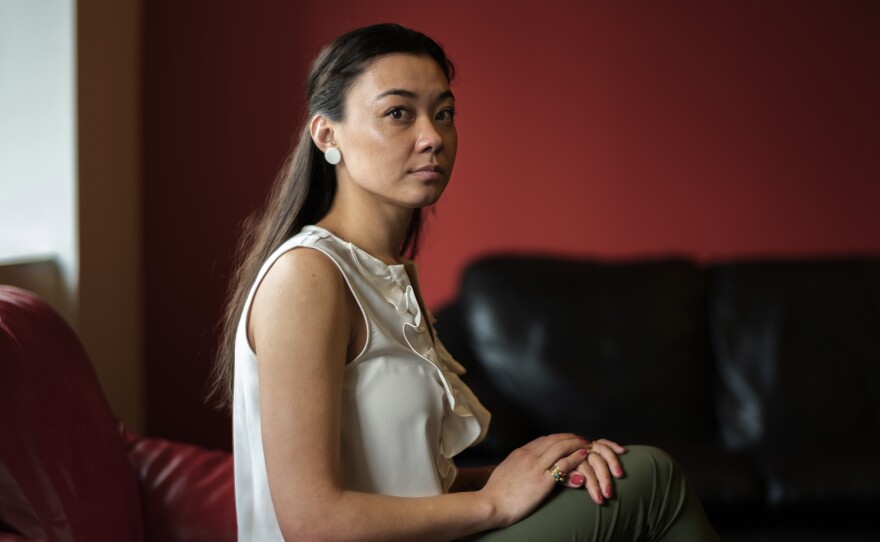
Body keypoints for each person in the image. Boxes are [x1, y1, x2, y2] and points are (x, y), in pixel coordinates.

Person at [211, 23, 720, 541]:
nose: (432, 136)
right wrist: (495, 503)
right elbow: (312, 522)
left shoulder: (382, 274)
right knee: (654, 480)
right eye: (398, 113)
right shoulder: (307, 275)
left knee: (620, 471)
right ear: (327, 134)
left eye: (444, 113)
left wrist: (541, 472)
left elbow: (407, 488)